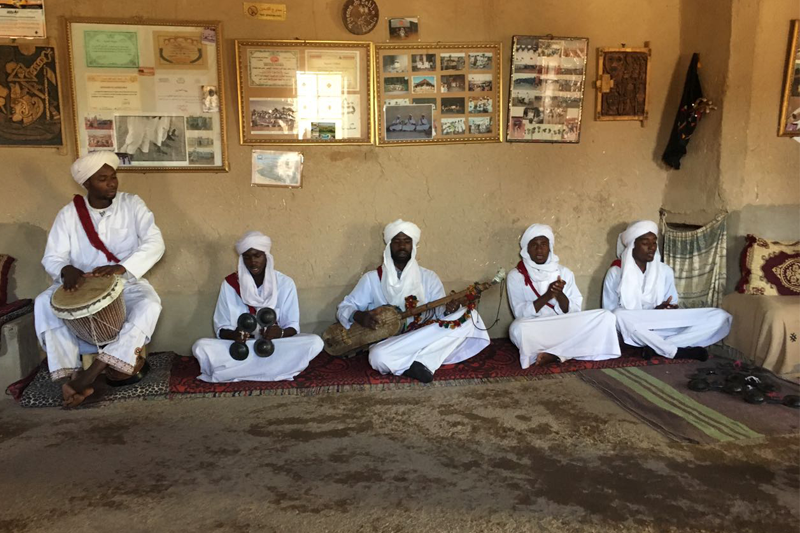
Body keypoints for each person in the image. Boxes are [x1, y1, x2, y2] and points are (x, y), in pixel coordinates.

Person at [33, 152, 165, 407]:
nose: (112, 183)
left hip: (124, 284)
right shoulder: (69, 214)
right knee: (42, 303)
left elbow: (155, 243)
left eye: (113, 177)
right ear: (87, 184)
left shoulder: (132, 204)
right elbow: (53, 256)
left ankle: (90, 374)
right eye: (103, 179)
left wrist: (122, 267)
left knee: (150, 304)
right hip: (80, 285)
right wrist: (65, 270)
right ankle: (69, 377)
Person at [336, 220, 490, 383]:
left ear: (413, 245)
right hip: (392, 341)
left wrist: (448, 310)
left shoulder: (429, 277)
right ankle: (423, 361)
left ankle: (416, 362)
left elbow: (439, 314)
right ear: (389, 246)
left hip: (424, 335)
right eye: (396, 241)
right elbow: (344, 307)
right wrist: (359, 315)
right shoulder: (372, 279)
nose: (402, 246)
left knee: (470, 316)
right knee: (377, 357)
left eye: (407, 241)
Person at [191, 231, 323, 382]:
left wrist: (279, 333)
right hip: (241, 348)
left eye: (257, 256)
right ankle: (272, 370)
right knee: (200, 346)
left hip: (274, 346)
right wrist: (235, 335)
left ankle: (238, 371)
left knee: (315, 342)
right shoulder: (230, 284)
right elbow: (221, 327)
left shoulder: (285, 284)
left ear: (266, 256)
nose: (252, 262)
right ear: (241, 259)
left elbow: (292, 326)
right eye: (247, 257)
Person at [602, 220, 732, 360]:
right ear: (632, 245)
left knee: (721, 317)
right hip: (633, 329)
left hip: (659, 326)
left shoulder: (664, 271)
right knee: (618, 315)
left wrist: (665, 309)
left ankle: (658, 347)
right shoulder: (616, 272)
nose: (652, 247)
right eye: (645, 243)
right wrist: (649, 313)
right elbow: (610, 316)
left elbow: (672, 305)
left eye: (654, 242)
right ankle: (675, 350)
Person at [508, 224, 620, 368]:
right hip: (537, 328)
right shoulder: (516, 276)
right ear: (526, 249)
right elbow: (519, 312)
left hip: (563, 325)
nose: (539, 249)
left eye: (543, 244)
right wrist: (548, 296)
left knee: (606, 316)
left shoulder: (564, 272)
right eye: (534, 245)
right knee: (517, 328)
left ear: (550, 247)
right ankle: (565, 352)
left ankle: (556, 354)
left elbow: (574, 311)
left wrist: (560, 295)